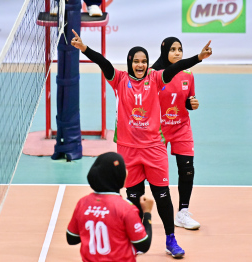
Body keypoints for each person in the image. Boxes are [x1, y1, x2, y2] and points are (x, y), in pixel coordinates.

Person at [70, 29, 212, 258]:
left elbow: (175, 67)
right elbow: (103, 62)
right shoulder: (119, 80)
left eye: (144, 61)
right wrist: (84, 48)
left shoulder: (156, 78)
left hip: (154, 148)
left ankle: (170, 240)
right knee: (133, 198)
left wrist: (198, 58)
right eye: (136, 61)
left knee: (162, 196)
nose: (140, 65)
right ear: (129, 62)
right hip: (128, 150)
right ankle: (134, 240)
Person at [151, 37, 204, 230]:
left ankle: (182, 213)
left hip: (181, 126)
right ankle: (142, 211)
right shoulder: (153, 74)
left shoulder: (188, 75)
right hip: (158, 129)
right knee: (157, 172)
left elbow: (189, 99)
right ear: (164, 51)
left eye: (180, 49)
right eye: (173, 49)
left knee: (187, 168)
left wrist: (192, 103)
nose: (177, 53)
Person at [67, 152, 154, 262]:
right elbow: (143, 245)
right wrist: (147, 213)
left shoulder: (83, 203)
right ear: (120, 177)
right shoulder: (126, 208)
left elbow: (72, 239)